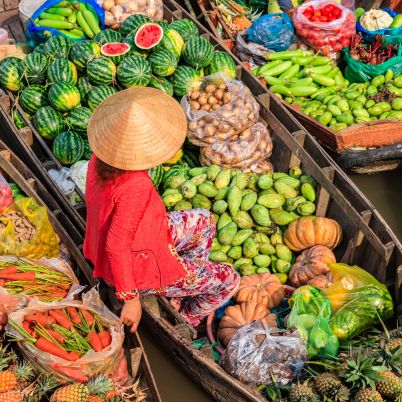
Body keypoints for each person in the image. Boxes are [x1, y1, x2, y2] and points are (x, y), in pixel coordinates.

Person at [84, 87, 240, 333]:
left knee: (205, 220)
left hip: (144, 235)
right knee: (229, 279)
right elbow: (117, 245)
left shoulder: (100, 157)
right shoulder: (136, 184)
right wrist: (131, 299)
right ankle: (186, 316)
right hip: (137, 266)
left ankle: (180, 286)